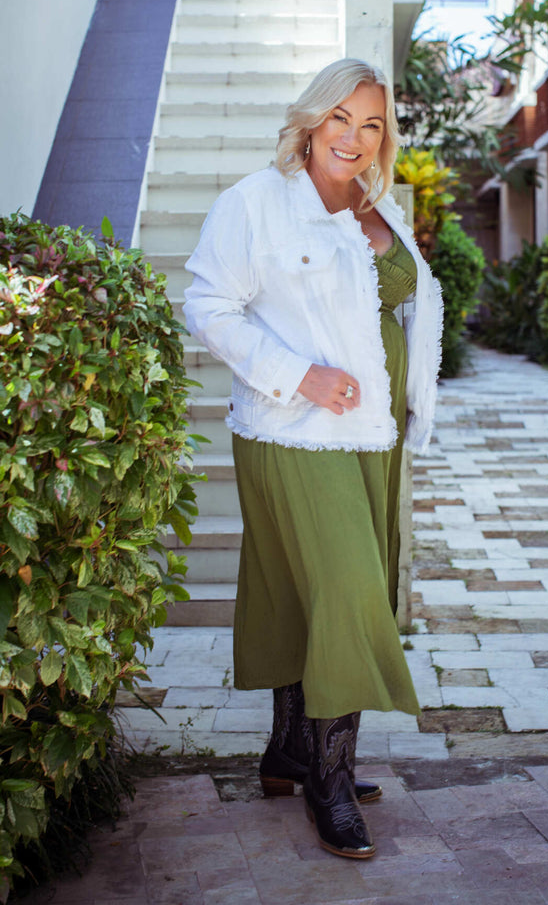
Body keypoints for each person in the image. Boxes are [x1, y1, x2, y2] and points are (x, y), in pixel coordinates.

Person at [183, 58, 443, 859]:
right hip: (295, 433)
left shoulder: (375, 204)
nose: (356, 139)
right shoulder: (257, 203)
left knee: (309, 593)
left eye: (372, 125)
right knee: (346, 595)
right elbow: (205, 304)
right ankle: (330, 780)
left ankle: (291, 751)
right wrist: (297, 374)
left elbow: (404, 306)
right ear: (309, 122)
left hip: (371, 437)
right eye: (342, 119)